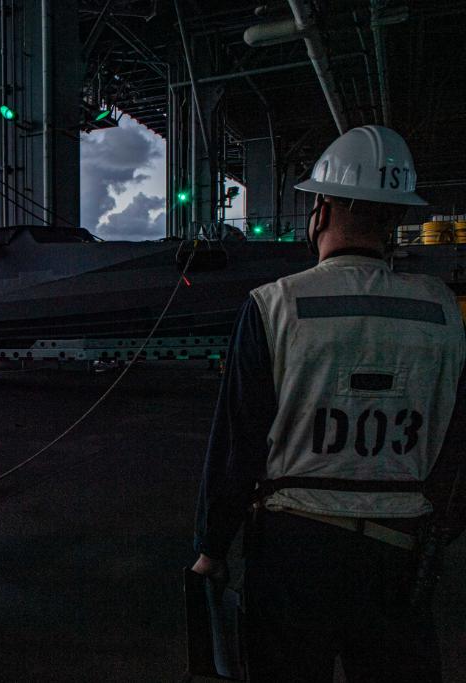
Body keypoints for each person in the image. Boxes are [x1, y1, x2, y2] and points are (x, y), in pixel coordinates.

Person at [191, 125, 466, 681]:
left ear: (323, 207)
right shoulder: (442, 311)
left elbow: (237, 444)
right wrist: (435, 530)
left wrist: (211, 547)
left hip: (295, 551)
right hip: (400, 551)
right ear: (394, 218)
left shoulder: (275, 305)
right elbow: (460, 442)